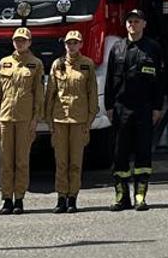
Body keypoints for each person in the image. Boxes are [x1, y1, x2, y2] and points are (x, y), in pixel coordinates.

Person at [104, 9, 166, 211]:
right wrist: (109, 106)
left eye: (137, 21)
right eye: (130, 21)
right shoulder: (117, 48)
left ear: (144, 24)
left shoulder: (153, 48)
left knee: (142, 154)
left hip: (145, 108)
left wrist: (157, 107)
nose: (133, 24)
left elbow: (159, 81)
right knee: (119, 154)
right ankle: (121, 197)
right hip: (122, 108)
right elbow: (109, 80)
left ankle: (140, 196)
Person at [44, 29, 98, 213]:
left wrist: (89, 120)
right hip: (59, 119)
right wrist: (48, 120)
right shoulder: (57, 65)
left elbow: (92, 94)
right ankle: (61, 197)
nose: (72, 46)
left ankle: (73, 197)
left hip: (79, 120)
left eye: (75, 42)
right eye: (69, 43)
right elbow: (50, 93)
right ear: (65, 45)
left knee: (75, 161)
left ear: (81, 44)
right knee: (61, 162)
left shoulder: (87, 65)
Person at [0, 25, 45, 214]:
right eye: (17, 40)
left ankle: (20, 198)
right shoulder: (4, 63)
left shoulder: (35, 64)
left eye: (23, 40)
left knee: (22, 160)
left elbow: (38, 93)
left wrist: (35, 118)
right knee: (6, 160)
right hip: (6, 117)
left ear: (29, 42)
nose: (20, 43)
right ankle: (7, 198)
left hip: (25, 119)